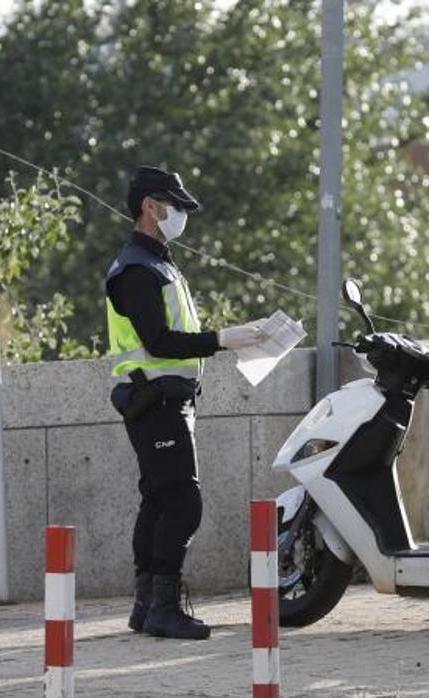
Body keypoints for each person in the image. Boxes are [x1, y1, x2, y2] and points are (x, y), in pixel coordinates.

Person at [106, 166, 271, 639]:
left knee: (159, 500)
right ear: (149, 207)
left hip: (164, 399)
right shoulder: (137, 268)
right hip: (154, 399)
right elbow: (159, 341)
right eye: (173, 204)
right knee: (182, 503)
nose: (180, 213)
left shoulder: (157, 263)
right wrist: (222, 339)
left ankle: (145, 606)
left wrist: (228, 337)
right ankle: (162, 607)